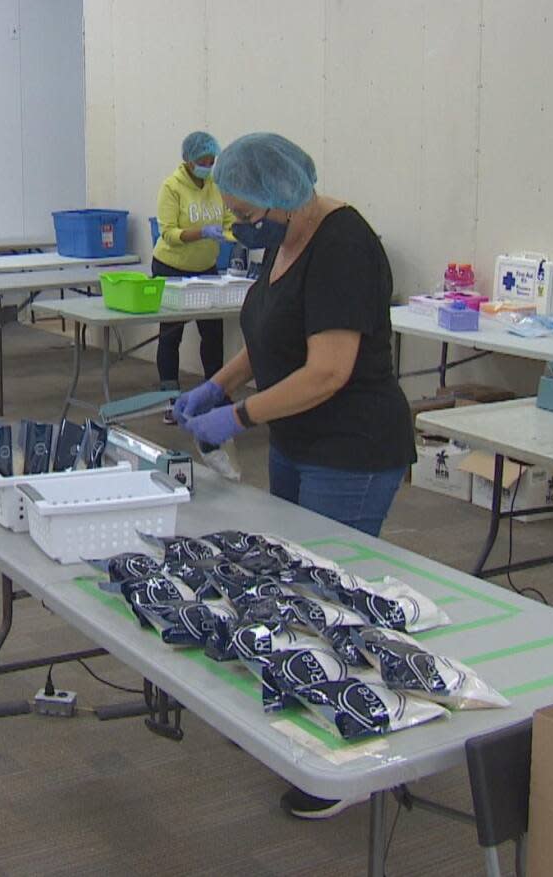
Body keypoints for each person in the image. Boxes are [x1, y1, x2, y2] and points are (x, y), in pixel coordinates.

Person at [173, 132, 415, 820]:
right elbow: (271, 330)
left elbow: (329, 369)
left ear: (285, 195)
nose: (245, 226)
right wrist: (215, 387)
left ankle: (351, 759)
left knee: (335, 597)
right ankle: (310, 716)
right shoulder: (287, 237)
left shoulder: (343, 245)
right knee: (293, 584)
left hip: (352, 447)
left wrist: (240, 417)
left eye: (251, 213)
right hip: (299, 438)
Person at [153, 131, 239, 479]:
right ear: (189, 160)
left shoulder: (215, 186)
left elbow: (230, 221)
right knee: (170, 335)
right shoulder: (171, 187)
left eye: (211, 161)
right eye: (204, 161)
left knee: (212, 334)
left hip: (207, 268)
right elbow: (168, 232)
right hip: (171, 267)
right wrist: (201, 232)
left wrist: (233, 234)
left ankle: (213, 395)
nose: (208, 166)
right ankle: (170, 400)